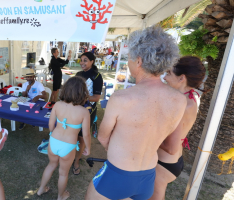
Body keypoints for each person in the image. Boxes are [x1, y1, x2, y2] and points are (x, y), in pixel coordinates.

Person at [85, 26, 187, 200]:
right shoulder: (180, 100)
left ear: (138, 61)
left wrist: (120, 152)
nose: (129, 61)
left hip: (118, 173)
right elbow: (169, 140)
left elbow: (103, 137)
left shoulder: (122, 98)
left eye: (129, 57)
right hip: (147, 176)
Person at [149, 56, 206, 199]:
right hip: (171, 160)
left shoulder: (182, 104)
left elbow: (170, 146)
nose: (165, 77)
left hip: (164, 163)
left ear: (182, 78)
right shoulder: (189, 97)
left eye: (169, 73)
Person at [37, 76, 91, 200]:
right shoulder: (84, 112)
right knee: (63, 173)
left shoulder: (57, 105)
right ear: (82, 93)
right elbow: (86, 134)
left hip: (54, 141)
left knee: (50, 165)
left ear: (65, 89)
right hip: (69, 145)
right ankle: (60, 196)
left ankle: (41, 189)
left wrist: (52, 135)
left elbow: (51, 125)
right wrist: (88, 148)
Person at [73, 52, 103, 175]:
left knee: (81, 136)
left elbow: (96, 98)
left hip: (87, 111)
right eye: (81, 60)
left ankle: (76, 161)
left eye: (85, 60)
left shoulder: (96, 76)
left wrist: (82, 98)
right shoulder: (78, 74)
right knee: (71, 133)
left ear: (92, 61)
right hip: (74, 109)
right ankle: (68, 156)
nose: (82, 63)